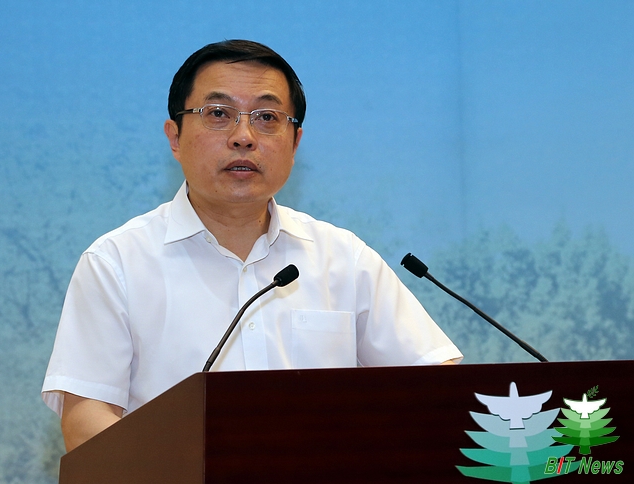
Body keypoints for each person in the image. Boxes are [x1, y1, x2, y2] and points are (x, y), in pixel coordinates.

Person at [42, 39, 463, 452]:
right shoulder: (116, 262)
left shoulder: (344, 258)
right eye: (218, 114)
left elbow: (438, 390)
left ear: (295, 143)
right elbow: (87, 422)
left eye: (266, 117)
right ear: (175, 137)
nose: (243, 137)